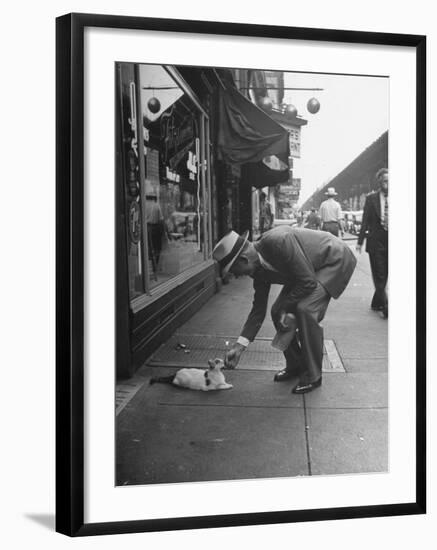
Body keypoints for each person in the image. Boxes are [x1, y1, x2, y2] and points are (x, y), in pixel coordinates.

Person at [212, 225, 357, 394]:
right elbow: (258, 310)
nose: (236, 276)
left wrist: (286, 307)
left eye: (234, 271)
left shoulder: (278, 241)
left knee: (305, 309)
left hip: (333, 259)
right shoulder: (257, 270)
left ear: (244, 259)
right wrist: (239, 347)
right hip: (307, 270)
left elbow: (308, 282)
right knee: (276, 311)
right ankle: (295, 365)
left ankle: (313, 374)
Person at [356, 168, 389, 318]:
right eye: (385, 181)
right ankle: (386, 306)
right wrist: (359, 242)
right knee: (379, 274)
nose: (388, 184)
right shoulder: (371, 199)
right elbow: (365, 222)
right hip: (376, 241)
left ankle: (377, 302)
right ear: (380, 182)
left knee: (385, 274)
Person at [145, 193, 164, 266]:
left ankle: (148, 266)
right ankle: (155, 265)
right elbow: (161, 219)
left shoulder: (143, 205)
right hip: (155, 228)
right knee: (157, 248)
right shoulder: (156, 205)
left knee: (148, 247)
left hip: (146, 228)